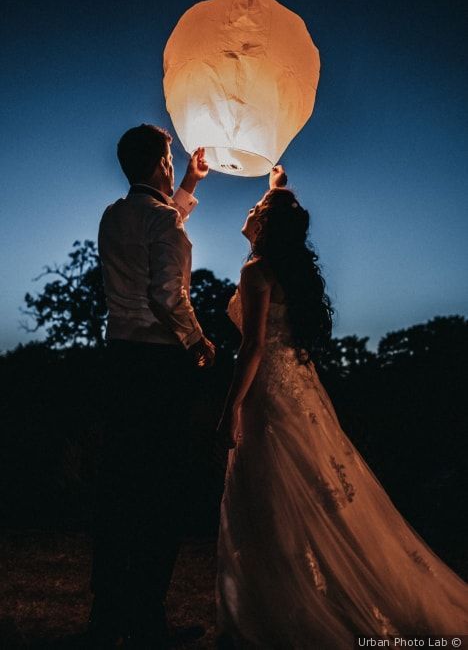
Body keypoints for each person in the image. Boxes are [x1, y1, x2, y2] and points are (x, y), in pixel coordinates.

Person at [215, 166, 468, 649]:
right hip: (303, 390)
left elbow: (252, 348)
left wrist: (231, 408)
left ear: (265, 227)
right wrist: (275, 189)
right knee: (311, 492)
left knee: (273, 497)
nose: (248, 211)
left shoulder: (255, 271)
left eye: (256, 210)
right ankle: (295, 597)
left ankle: (284, 609)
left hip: (269, 391)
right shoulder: (283, 266)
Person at [92, 124, 215, 649]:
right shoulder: (163, 221)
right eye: (171, 157)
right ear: (158, 163)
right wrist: (199, 342)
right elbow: (168, 295)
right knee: (161, 491)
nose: (174, 162)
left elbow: (159, 222)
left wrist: (190, 183)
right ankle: (147, 619)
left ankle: (108, 614)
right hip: (157, 366)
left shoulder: (113, 215)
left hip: (118, 361)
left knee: (120, 489)